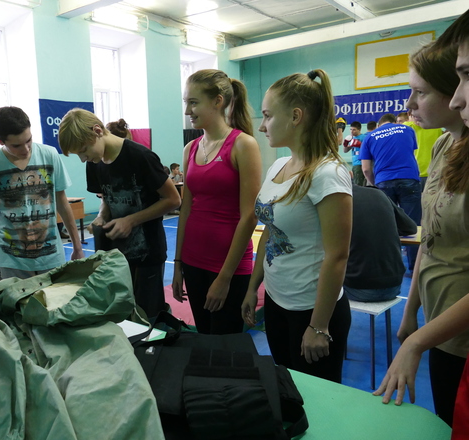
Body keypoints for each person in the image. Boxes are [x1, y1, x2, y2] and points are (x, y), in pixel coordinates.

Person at [372, 30, 469, 429]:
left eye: (420, 93)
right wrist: (411, 311)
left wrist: (418, 341)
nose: (409, 104)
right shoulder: (443, 146)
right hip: (437, 322)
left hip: (460, 332)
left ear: (452, 92)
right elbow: (429, 240)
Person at [241, 69, 353, 383]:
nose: (261, 126)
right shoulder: (279, 165)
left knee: (315, 400)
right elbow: (269, 231)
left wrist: (319, 325)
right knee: (287, 389)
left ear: (295, 116)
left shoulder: (328, 174)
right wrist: (253, 288)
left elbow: (337, 256)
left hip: (311, 309)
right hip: (277, 301)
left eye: (267, 116)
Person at [58, 108, 181, 318]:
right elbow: (107, 196)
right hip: (116, 255)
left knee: (147, 317)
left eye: (83, 150)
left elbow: (173, 200)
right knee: (120, 316)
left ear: (97, 131)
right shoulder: (95, 162)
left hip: (147, 253)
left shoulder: (141, 157)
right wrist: (102, 216)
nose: (83, 159)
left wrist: (131, 220)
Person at [170, 69, 261, 335]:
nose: (187, 110)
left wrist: (225, 277)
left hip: (228, 266)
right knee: (204, 338)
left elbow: (249, 216)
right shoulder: (191, 148)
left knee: (226, 345)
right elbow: (186, 209)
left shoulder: (243, 145)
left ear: (218, 101)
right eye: (186, 102)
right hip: (192, 261)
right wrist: (178, 265)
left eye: (193, 102)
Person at [0, 107, 83, 294]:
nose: (26, 149)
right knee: (14, 310)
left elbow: (62, 202)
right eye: (17, 146)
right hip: (11, 260)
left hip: (51, 257)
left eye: (29, 140)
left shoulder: (49, 155)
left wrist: (77, 247)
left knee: (55, 307)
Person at [361, 113, 421, 271]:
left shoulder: (369, 136)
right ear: (394, 122)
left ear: (379, 124)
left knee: (386, 225)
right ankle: (415, 267)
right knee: (414, 225)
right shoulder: (408, 130)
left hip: (384, 181)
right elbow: (410, 153)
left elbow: (366, 169)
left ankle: (389, 266)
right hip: (409, 177)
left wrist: (376, 184)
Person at [343, 185, 417, 302]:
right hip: (394, 285)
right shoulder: (378, 194)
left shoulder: (337, 200)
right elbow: (411, 228)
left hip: (358, 287)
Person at [343, 121, 366, 186]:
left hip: (362, 162)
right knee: (357, 182)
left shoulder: (364, 137)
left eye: (354, 130)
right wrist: (345, 144)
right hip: (355, 163)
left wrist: (360, 145)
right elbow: (345, 151)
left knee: (359, 184)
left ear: (359, 129)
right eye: (351, 129)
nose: (352, 131)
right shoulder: (351, 138)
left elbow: (369, 149)